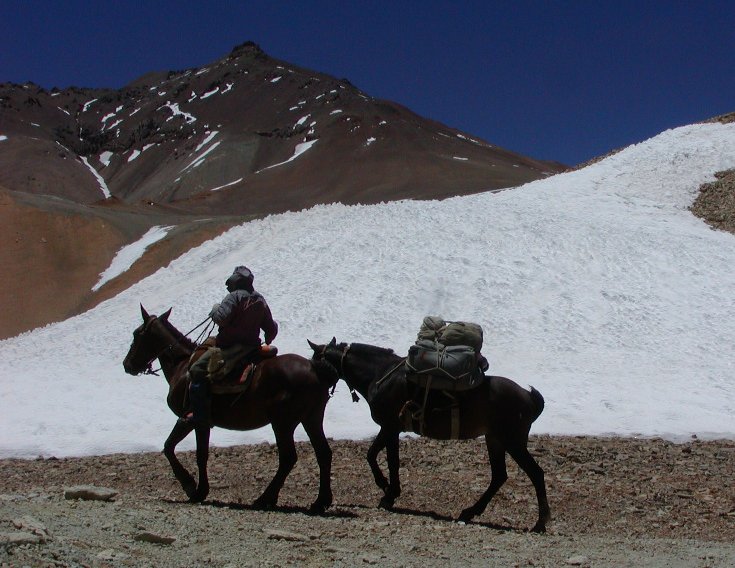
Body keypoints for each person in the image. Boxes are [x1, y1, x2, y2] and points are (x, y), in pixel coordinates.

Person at [185, 265, 278, 426]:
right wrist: (268, 338)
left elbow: (221, 318)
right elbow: (271, 328)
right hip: (253, 347)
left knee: (197, 369)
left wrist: (215, 309)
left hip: (230, 348)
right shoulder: (260, 299)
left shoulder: (233, 297)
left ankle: (200, 415)